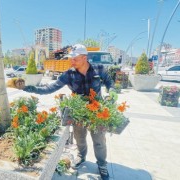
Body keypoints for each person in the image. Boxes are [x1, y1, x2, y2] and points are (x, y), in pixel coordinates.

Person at [23, 44, 116, 180]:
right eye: (71, 58)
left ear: (84, 58)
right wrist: (30, 88)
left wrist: (112, 91)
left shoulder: (99, 68)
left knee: (99, 140)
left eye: (75, 59)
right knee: (79, 138)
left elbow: (109, 81)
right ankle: (81, 156)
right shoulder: (69, 74)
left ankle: (102, 164)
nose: (71, 61)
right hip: (78, 112)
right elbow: (50, 88)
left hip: (97, 111)